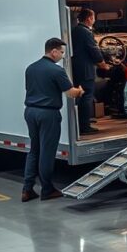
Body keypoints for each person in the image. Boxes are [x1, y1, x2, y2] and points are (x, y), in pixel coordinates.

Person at [23, 38, 84, 202]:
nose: (62, 56)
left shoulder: (31, 68)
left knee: (34, 150)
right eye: (62, 53)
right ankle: (47, 189)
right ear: (53, 51)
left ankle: (27, 189)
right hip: (48, 114)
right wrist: (80, 91)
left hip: (30, 111)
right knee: (47, 153)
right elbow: (70, 93)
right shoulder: (56, 71)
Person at [71, 8, 110, 135]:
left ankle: (82, 122)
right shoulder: (86, 32)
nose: (94, 20)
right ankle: (85, 126)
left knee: (80, 96)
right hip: (86, 70)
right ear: (89, 19)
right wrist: (103, 64)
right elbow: (94, 50)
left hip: (77, 69)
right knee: (86, 97)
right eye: (93, 18)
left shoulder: (75, 30)